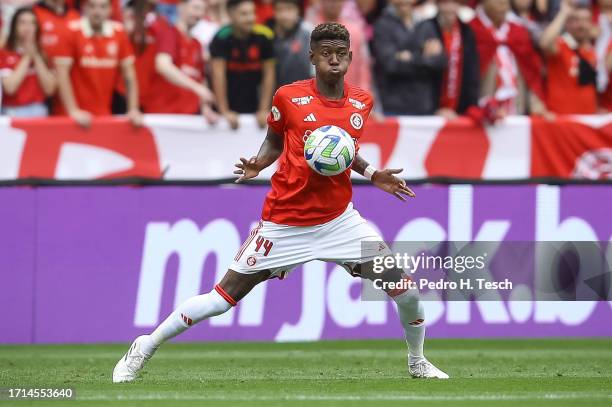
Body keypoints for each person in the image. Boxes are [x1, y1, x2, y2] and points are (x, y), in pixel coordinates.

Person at [112, 22, 449, 383]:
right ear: (312, 58)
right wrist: (259, 162)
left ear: (350, 57)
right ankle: (144, 346)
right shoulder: (288, 97)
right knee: (220, 300)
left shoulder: (360, 102)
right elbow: (274, 142)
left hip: (339, 221)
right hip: (285, 223)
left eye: (340, 53)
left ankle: (417, 362)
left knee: (407, 290)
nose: (333, 60)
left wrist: (371, 172)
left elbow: (343, 149)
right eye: (325, 53)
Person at [54, 0, 142, 127]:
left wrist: (133, 109)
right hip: (71, 118)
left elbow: (129, 75)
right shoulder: (70, 31)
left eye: (103, 7)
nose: (97, 12)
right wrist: (73, 111)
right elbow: (62, 74)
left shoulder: (118, 32)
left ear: (110, 10)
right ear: (85, 8)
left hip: (103, 115)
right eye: (92, 6)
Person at [470, 0, 549, 117]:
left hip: (517, 107)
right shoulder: (471, 30)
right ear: (483, 3)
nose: (503, 7)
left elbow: (531, 70)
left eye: (506, 3)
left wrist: (536, 103)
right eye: (498, 2)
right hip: (481, 109)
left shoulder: (518, 31)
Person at [140, 0, 217, 118]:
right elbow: (163, 66)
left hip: (190, 116)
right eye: (196, 8)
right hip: (164, 116)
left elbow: (200, 79)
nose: (199, 14)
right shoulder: (169, 34)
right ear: (181, 7)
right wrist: (196, 88)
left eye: (202, 10)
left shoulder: (197, 44)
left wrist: (205, 108)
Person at [372, 0, 446, 115]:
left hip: (424, 105)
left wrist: (409, 57)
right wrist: (423, 57)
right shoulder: (382, 24)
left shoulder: (426, 24)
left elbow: (440, 62)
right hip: (395, 106)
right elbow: (390, 65)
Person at [210, 0, 275, 129]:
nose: (251, 18)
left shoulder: (264, 36)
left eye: (252, 13)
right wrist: (224, 111)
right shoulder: (221, 37)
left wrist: (263, 109)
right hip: (229, 103)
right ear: (231, 15)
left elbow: (269, 75)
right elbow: (218, 76)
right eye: (244, 14)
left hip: (254, 104)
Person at [414, 0, 480, 119]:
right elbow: (418, 71)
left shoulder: (467, 32)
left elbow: (472, 72)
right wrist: (432, 109)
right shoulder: (426, 28)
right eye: (445, 2)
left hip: (460, 110)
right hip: (430, 110)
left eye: (454, 2)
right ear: (438, 4)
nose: (449, 7)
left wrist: (471, 107)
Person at [539, 0, 598, 114]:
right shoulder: (561, 45)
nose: (581, 25)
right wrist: (563, 13)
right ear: (567, 23)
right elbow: (544, 43)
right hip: (562, 120)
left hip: (588, 120)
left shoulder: (593, 51)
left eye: (586, 20)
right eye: (576, 20)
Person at [0, 7, 56, 117]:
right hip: (12, 111)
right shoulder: (5, 53)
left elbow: (50, 89)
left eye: (32, 23)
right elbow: (10, 88)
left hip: (39, 110)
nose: (28, 27)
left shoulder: (44, 54)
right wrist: (27, 57)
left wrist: (36, 56)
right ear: (14, 26)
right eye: (22, 22)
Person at [307, 0, 372, 92]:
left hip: (351, 96)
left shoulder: (355, 30)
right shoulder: (309, 29)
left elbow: (364, 64)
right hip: (319, 96)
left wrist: (364, 90)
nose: (333, 4)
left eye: (337, 1)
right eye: (330, 1)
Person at [270, 0, 313, 88]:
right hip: (276, 95)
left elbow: (315, 70)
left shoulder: (308, 32)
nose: (284, 15)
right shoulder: (267, 33)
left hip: (303, 93)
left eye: (289, 9)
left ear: (298, 10)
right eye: (280, 9)